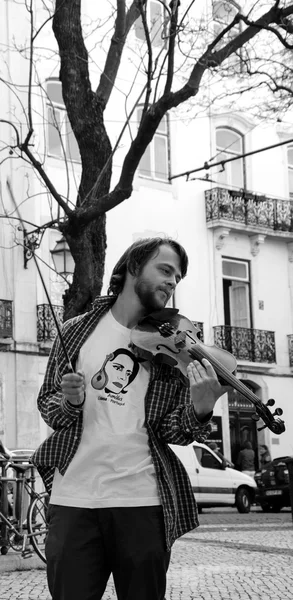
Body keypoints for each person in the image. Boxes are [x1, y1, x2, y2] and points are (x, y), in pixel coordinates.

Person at [32, 237, 229, 600]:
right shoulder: (76, 331)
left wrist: (200, 409)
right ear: (133, 268)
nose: (172, 282)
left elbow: (172, 429)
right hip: (74, 499)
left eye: (178, 277)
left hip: (143, 501)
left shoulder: (172, 345)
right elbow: (48, 405)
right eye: (165, 270)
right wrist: (71, 401)